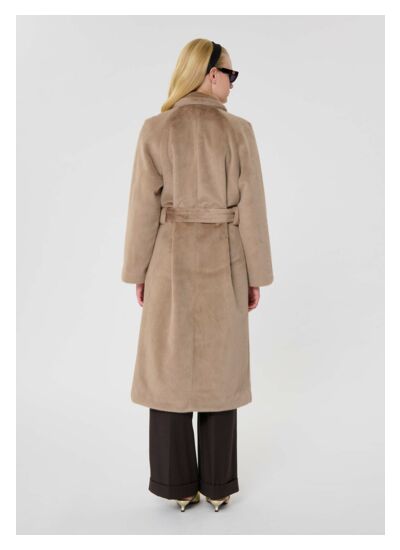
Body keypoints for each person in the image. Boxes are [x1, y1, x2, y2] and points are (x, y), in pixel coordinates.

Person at [121, 39, 274, 512]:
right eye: (231, 74)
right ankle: (219, 486)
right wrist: (256, 274)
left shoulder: (156, 128)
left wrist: (138, 270)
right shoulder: (239, 132)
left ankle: (177, 487)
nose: (232, 83)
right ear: (210, 75)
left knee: (168, 369)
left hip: (168, 259)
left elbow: (142, 208)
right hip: (225, 258)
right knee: (220, 369)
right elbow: (252, 208)